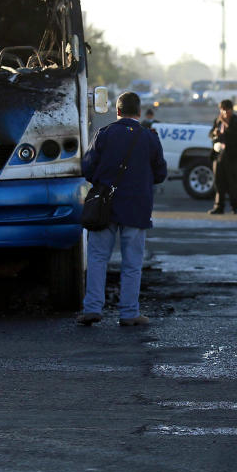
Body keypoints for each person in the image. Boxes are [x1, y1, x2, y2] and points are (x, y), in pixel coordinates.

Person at [78, 92, 167, 326]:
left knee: (97, 258)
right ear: (138, 112)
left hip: (105, 208)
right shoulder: (149, 138)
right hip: (137, 209)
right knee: (132, 263)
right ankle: (129, 313)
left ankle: (92, 308)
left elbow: (87, 169)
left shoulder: (104, 134)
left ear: (117, 111)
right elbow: (160, 174)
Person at [207, 99, 237, 215]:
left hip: (232, 155)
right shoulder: (217, 120)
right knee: (219, 181)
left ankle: (235, 207)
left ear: (231, 110)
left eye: (226, 110)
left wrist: (226, 124)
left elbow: (236, 136)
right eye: (222, 110)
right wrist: (215, 133)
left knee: (232, 182)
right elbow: (211, 134)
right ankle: (219, 206)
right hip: (219, 153)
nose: (224, 113)